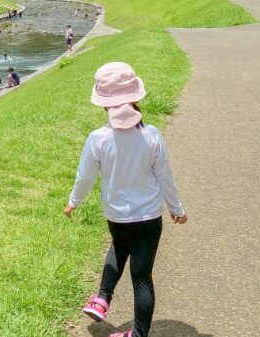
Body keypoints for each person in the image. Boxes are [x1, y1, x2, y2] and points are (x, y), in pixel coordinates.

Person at [64, 62, 187, 337]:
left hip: (117, 216)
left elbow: (85, 177)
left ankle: (102, 299)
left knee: (119, 247)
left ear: (103, 103)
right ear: (135, 98)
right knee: (141, 277)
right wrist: (176, 208)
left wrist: (73, 201)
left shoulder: (98, 139)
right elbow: (165, 177)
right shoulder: (151, 135)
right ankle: (138, 332)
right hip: (149, 218)